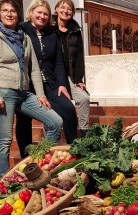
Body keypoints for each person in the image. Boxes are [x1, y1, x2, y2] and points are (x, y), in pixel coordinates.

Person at [0, 0, 63, 177]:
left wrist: (40, 94)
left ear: (18, 14)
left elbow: (33, 68)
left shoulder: (23, 36)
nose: (9, 14)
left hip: (24, 93)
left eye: (12, 11)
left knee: (55, 122)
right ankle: (3, 180)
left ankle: (40, 164)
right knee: (5, 139)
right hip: (4, 92)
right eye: (5, 11)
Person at [16, 0, 78, 158]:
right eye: (39, 12)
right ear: (31, 12)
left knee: (69, 109)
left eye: (45, 14)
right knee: (24, 120)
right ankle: (26, 158)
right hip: (28, 85)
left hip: (49, 83)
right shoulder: (22, 28)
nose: (42, 16)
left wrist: (62, 85)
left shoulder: (51, 33)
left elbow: (58, 61)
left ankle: (73, 149)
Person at [53, 0, 90, 137]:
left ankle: (85, 132)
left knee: (84, 98)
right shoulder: (49, 28)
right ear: (56, 9)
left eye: (69, 9)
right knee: (56, 104)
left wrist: (79, 78)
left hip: (71, 76)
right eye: (62, 7)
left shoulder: (75, 30)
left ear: (73, 13)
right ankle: (52, 138)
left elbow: (80, 55)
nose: (66, 11)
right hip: (54, 76)